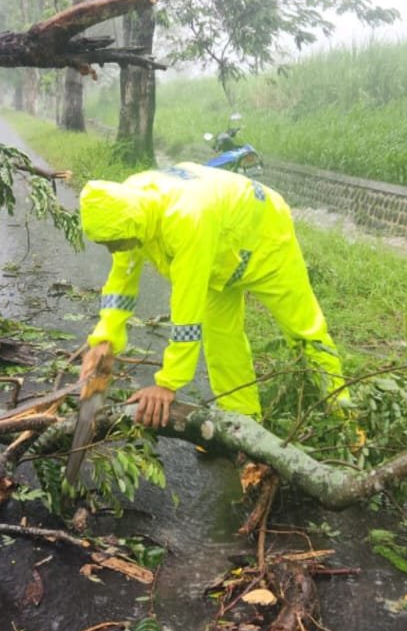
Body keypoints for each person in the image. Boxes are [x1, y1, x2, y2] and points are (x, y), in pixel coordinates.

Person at [77, 163, 347, 434]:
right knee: (221, 339)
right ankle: (242, 425)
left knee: (304, 329)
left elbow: (187, 308)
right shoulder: (125, 209)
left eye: (117, 243)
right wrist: (105, 339)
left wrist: (168, 383)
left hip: (264, 234)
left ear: (132, 224)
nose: (113, 249)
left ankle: (342, 417)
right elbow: (122, 279)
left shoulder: (185, 219)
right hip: (220, 248)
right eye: (107, 244)